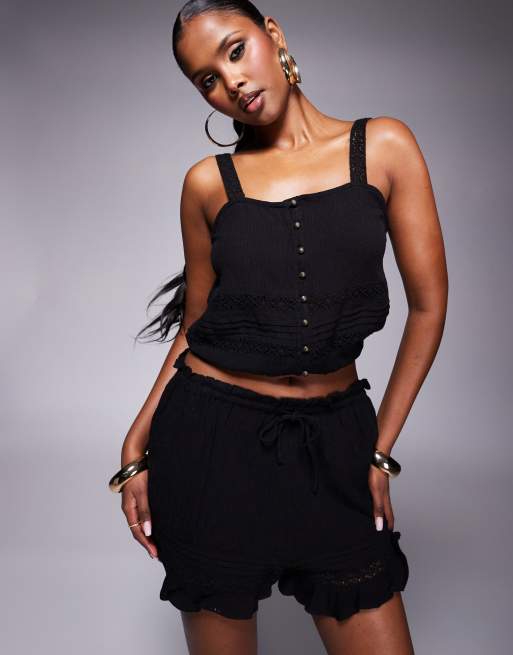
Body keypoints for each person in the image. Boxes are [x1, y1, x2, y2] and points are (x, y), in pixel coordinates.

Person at [110, 1, 448, 653]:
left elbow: (429, 308)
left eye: (235, 50)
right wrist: (136, 440)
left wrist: (379, 450)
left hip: (337, 445)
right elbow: (197, 324)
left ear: (273, 35)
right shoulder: (207, 183)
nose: (230, 81)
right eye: (207, 79)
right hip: (211, 447)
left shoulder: (384, 146)